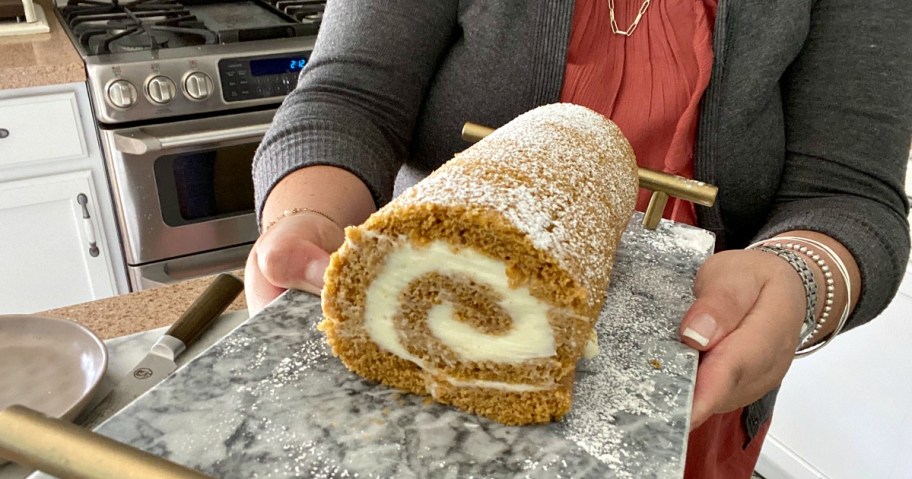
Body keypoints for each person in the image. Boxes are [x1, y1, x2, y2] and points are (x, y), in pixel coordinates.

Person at [244, 0, 912, 477]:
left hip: (696, 381)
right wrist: (305, 217)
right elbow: (351, 95)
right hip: (416, 350)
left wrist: (801, 278)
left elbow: (848, 191)